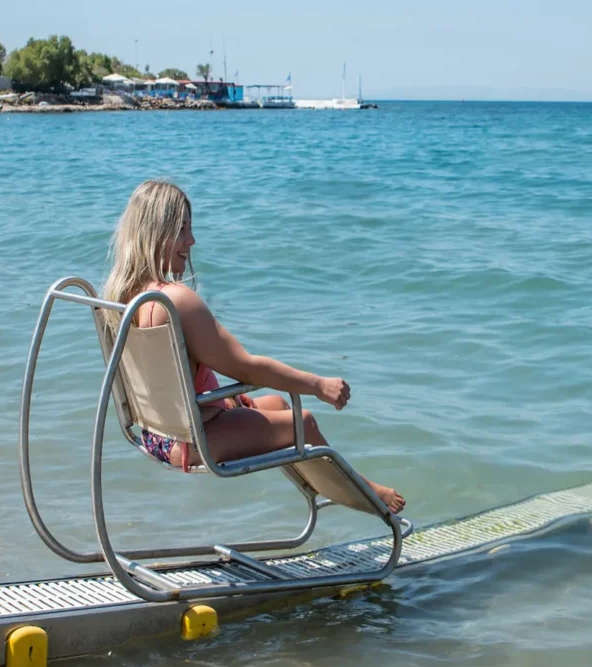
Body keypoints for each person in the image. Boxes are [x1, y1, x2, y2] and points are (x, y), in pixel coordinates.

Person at [101, 179, 405, 513]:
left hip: (158, 436)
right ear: (155, 232)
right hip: (194, 440)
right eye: (182, 229)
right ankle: (365, 494)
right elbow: (245, 367)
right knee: (304, 424)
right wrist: (318, 385)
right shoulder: (175, 301)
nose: (192, 240)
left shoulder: (123, 299)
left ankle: (324, 490)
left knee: (275, 403)